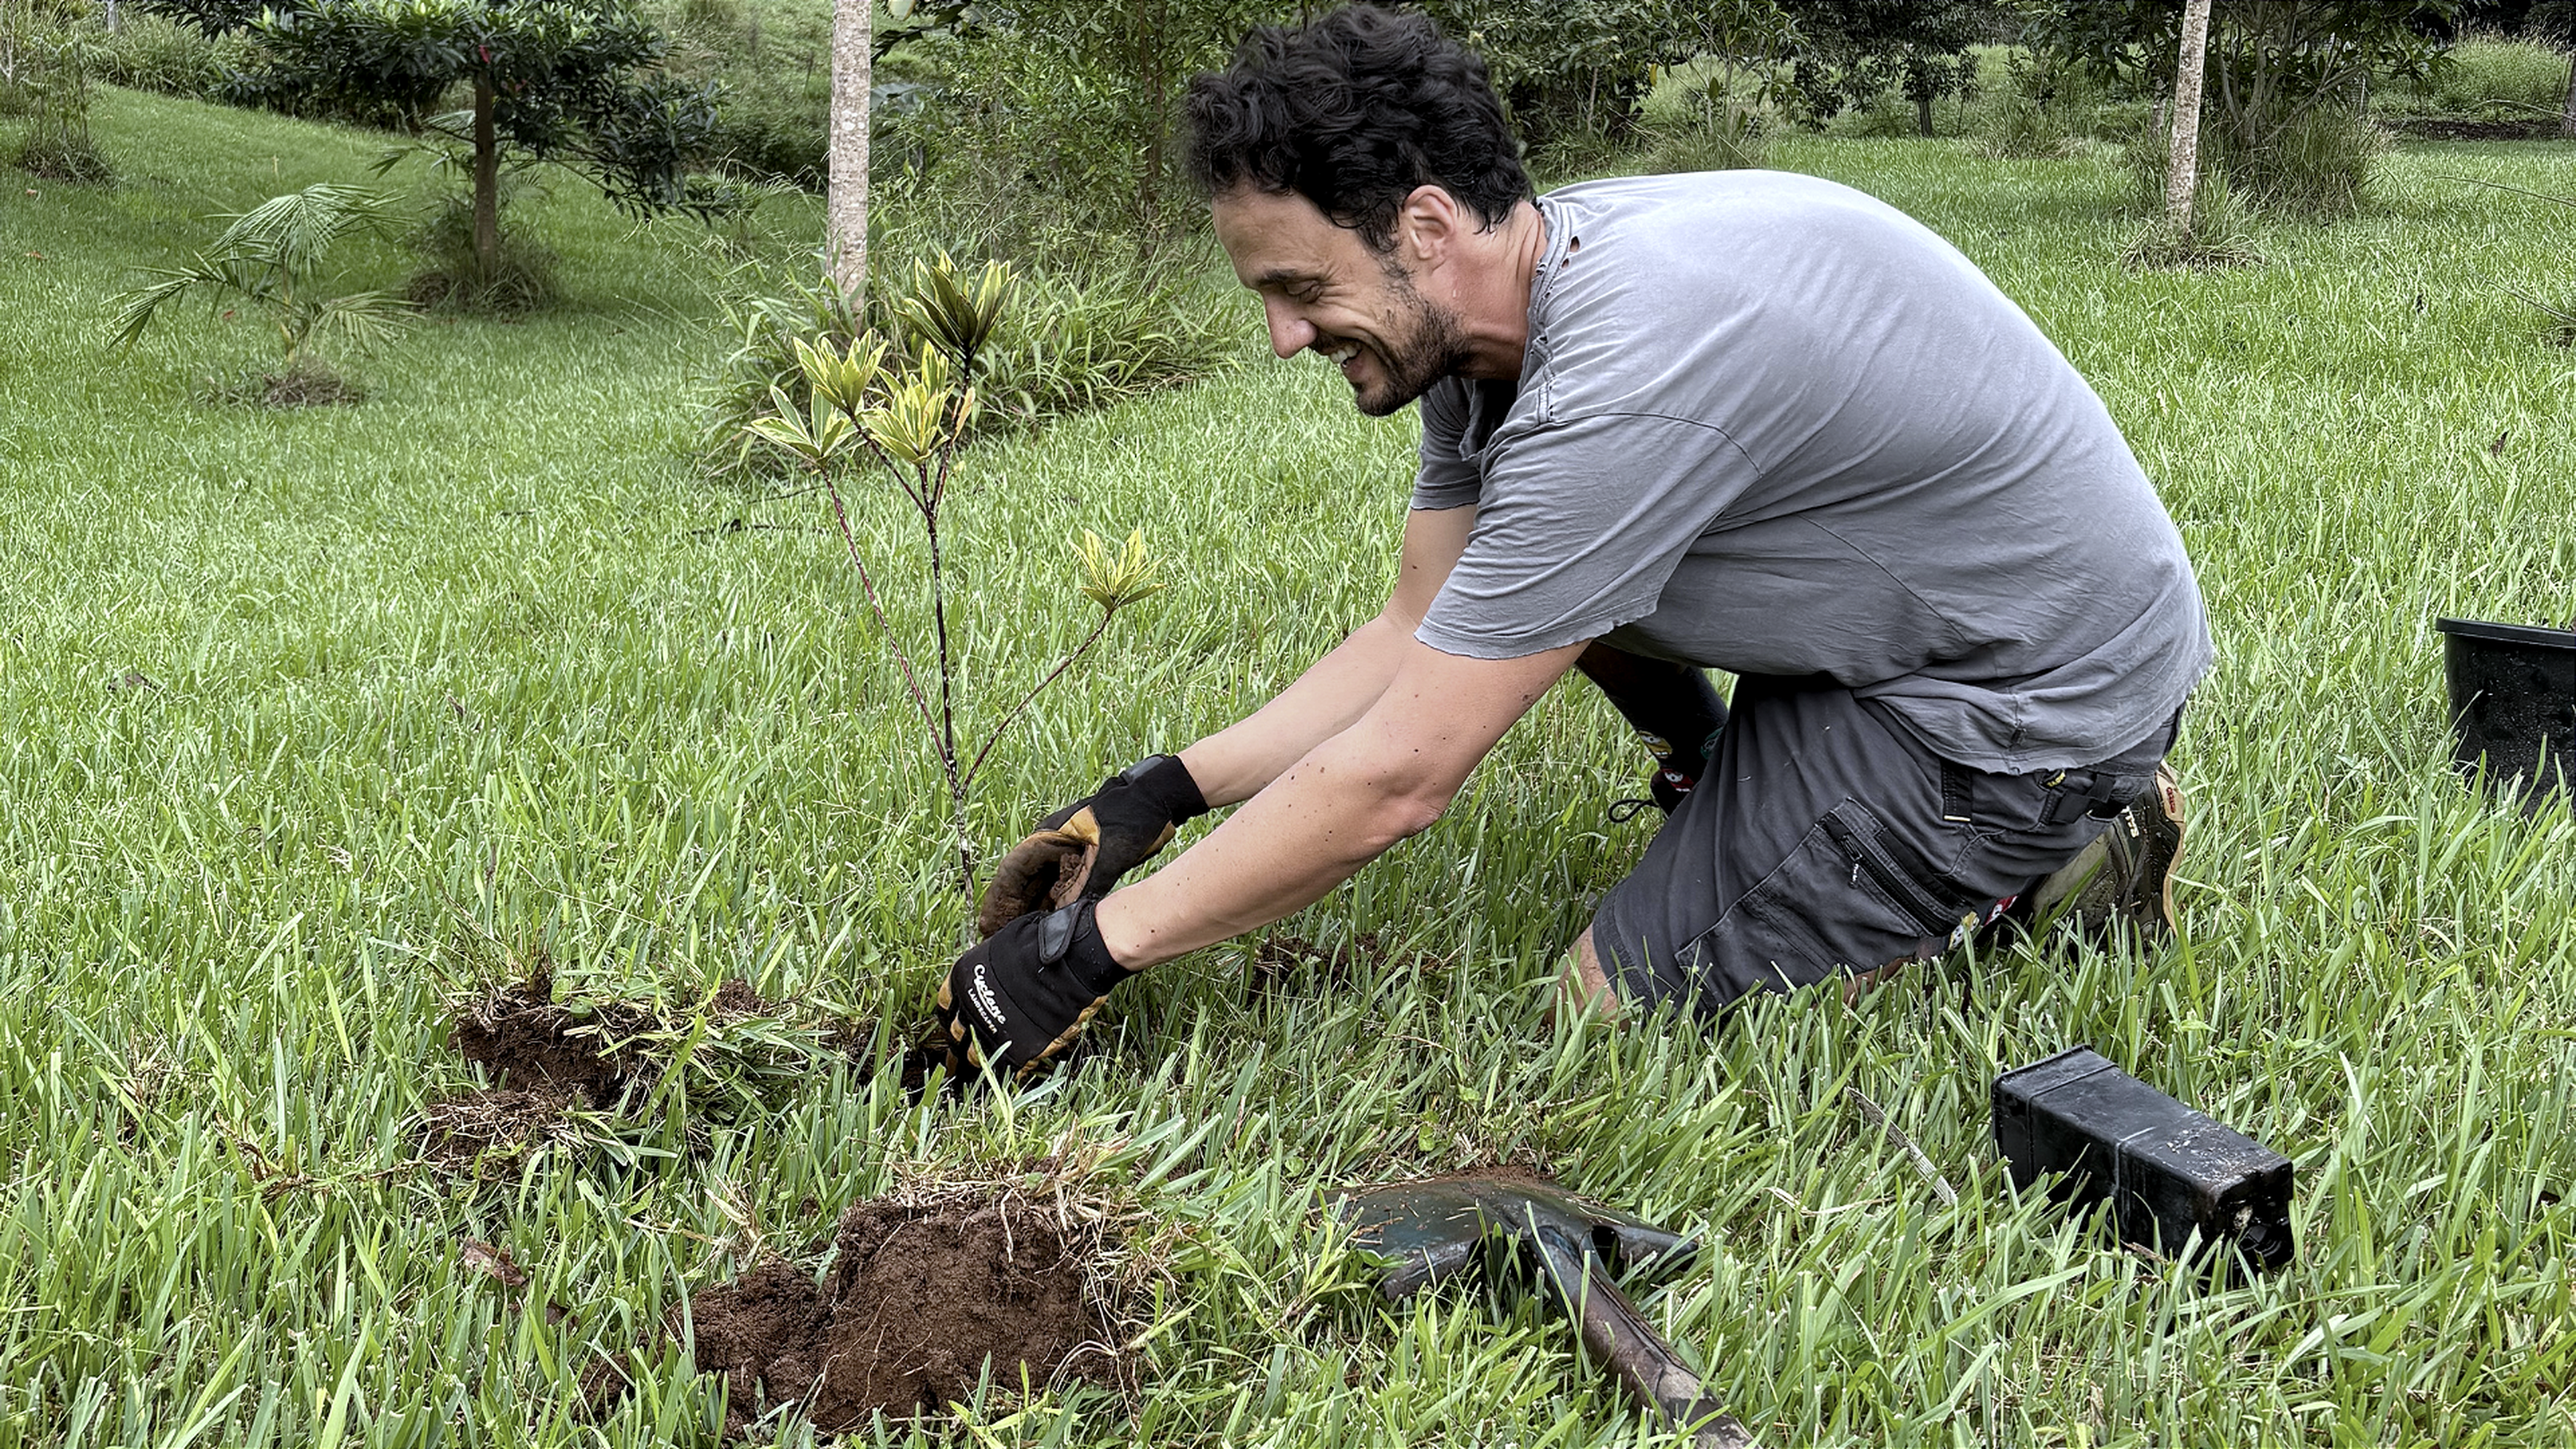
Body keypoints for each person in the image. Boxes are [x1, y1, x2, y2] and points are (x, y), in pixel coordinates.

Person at [932, 4, 2210, 1081]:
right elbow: (1420, 628)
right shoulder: (1493, 313)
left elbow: (1399, 777)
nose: (1281, 337)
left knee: (1602, 1021)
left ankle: (2057, 858)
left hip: (2015, 707)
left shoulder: (1628, 372)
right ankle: (1733, 774)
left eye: (1300, 290)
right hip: (1907, 635)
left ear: (1424, 228)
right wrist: (1156, 797)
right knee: (1532, 581)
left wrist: (1081, 959)